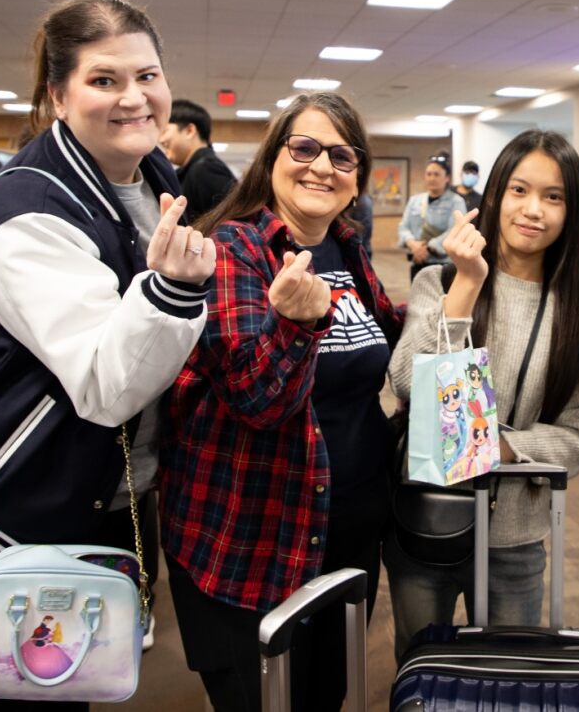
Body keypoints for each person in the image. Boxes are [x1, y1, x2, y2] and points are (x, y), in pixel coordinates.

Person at [0, 0, 214, 710]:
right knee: (13, 685)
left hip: (108, 485)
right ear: (58, 94)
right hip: (27, 492)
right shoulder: (29, 212)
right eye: (104, 80)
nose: (135, 98)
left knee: (73, 678)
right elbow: (105, 385)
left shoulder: (149, 180)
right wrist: (173, 290)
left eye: (148, 75)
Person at [160, 92, 403, 712]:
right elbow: (256, 399)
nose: (322, 166)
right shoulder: (233, 250)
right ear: (272, 159)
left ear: (356, 182)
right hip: (255, 541)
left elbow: (380, 336)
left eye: (342, 156)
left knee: (324, 697)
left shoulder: (346, 248)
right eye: (305, 148)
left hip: (349, 533)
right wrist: (294, 326)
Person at [385, 130, 579, 658]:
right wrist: (466, 286)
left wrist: (508, 448)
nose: (534, 210)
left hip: (516, 537)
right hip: (427, 520)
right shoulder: (439, 281)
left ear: (570, 211)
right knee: (420, 668)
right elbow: (405, 384)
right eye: (518, 191)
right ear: (493, 198)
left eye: (553, 197)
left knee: (507, 676)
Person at [158, 97, 238, 220]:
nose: (161, 140)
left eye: (165, 131)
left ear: (189, 130)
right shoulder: (194, 169)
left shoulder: (206, 169)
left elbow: (229, 223)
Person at [398, 152, 465, 281]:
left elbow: (454, 230)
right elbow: (403, 227)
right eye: (429, 174)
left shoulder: (456, 202)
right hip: (418, 262)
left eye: (437, 174)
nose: (432, 178)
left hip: (444, 265)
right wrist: (413, 245)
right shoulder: (415, 200)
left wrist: (428, 248)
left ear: (447, 178)